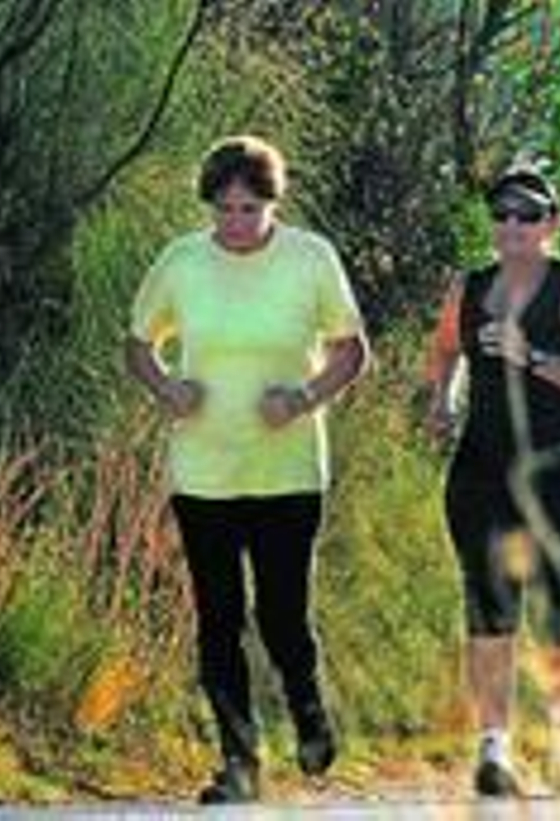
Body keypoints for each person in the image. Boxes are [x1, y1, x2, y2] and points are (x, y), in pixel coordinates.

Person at [125, 134, 370, 804]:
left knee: (283, 614)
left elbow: (352, 351)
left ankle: (310, 714)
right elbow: (140, 344)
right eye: (224, 209)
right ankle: (238, 762)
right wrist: (167, 387)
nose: (235, 223)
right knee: (219, 616)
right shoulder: (182, 262)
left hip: (288, 468)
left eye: (248, 209)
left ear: (272, 203)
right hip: (204, 467)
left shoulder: (310, 259)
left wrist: (303, 397)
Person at [423, 165, 560, 797]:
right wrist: (443, 401)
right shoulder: (471, 286)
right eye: (502, 213)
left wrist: (530, 355)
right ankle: (494, 750)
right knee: (487, 598)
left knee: (555, 599)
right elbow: (445, 351)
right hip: (484, 464)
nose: (513, 225)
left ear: (552, 223)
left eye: (528, 214)